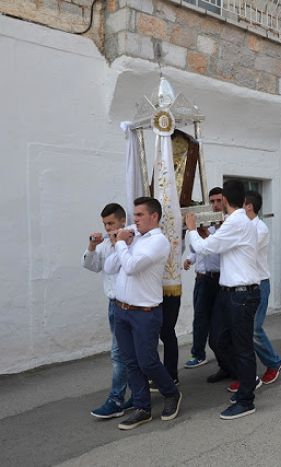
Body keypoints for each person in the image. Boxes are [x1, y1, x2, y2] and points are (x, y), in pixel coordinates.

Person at [185, 180, 261, 420]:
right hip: (230, 292)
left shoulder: (236, 221)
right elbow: (219, 247)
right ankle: (238, 376)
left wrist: (191, 229)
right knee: (217, 338)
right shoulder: (235, 222)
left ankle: (246, 398)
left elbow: (206, 248)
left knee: (242, 347)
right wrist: (206, 235)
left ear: (226, 200)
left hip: (242, 294)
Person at [105, 197, 181, 430]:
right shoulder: (133, 237)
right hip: (122, 310)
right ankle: (142, 407)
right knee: (130, 361)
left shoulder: (158, 242)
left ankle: (171, 393)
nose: (134, 219)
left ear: (153, 216)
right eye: (134, 215)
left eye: (139, 215)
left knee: (147, 361)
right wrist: (121, 243)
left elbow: (132, 266)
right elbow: (110, 267)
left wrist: (120, 243)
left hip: (145, 313)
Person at [84, 203, 133, 419]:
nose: (107, 227)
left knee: (120, 354)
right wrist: (92, 246)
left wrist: (119, 243)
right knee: (125, 353)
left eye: (111, 223)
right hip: (114, 305)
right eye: (105, 224)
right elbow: (93, 266)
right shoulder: (104, 244)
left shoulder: (132, 239)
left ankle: (116, 399)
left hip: (131, 304)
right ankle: (140, 393)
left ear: (122, 221)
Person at [242, 191, 281, 386]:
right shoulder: (243, 225)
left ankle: (274, 362)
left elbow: (246, 249)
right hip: (243, 286)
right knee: (243, 332)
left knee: (254, 330)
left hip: (259, 284)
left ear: (249, 206)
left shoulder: (260, 228)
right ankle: (244, 374)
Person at [183, 187, 223, 370]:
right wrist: (190, 259)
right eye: (212, 201)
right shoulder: (203, 224)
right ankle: (198, 354)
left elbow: (218, 250)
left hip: (219, 277)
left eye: (218, 200)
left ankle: (224, 355)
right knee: (199, 318)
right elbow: (195, 250)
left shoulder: (225, 226)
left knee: (219, 319)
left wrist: (207, 236)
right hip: (202, 278)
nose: (215, 205)